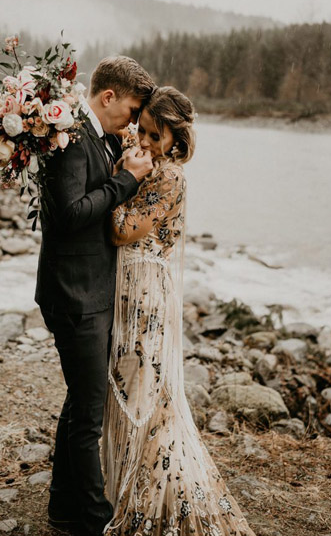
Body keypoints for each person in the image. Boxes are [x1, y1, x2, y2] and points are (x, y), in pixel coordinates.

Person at [103, 87, 255, 535]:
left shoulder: (168, 177)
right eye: (143, 130)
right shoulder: (148, 163)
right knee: (131, 389)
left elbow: (122, 229)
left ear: (177, 137)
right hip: (129, 290)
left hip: (148, 293)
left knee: (148, 397)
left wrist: (115, 181)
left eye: (155, 134)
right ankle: (123, 488)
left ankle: (156, 499)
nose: (145, 141)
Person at [35, 56, 156, 536]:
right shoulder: (70, 139)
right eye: (130, 109)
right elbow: (68, 214)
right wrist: (127, 180)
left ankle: (63, 507)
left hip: (86, 290)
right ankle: (92, 520)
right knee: (89, 413)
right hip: (75, 294)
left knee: (81, 402)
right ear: (108, 97)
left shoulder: (97, 137)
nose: (132, 120)